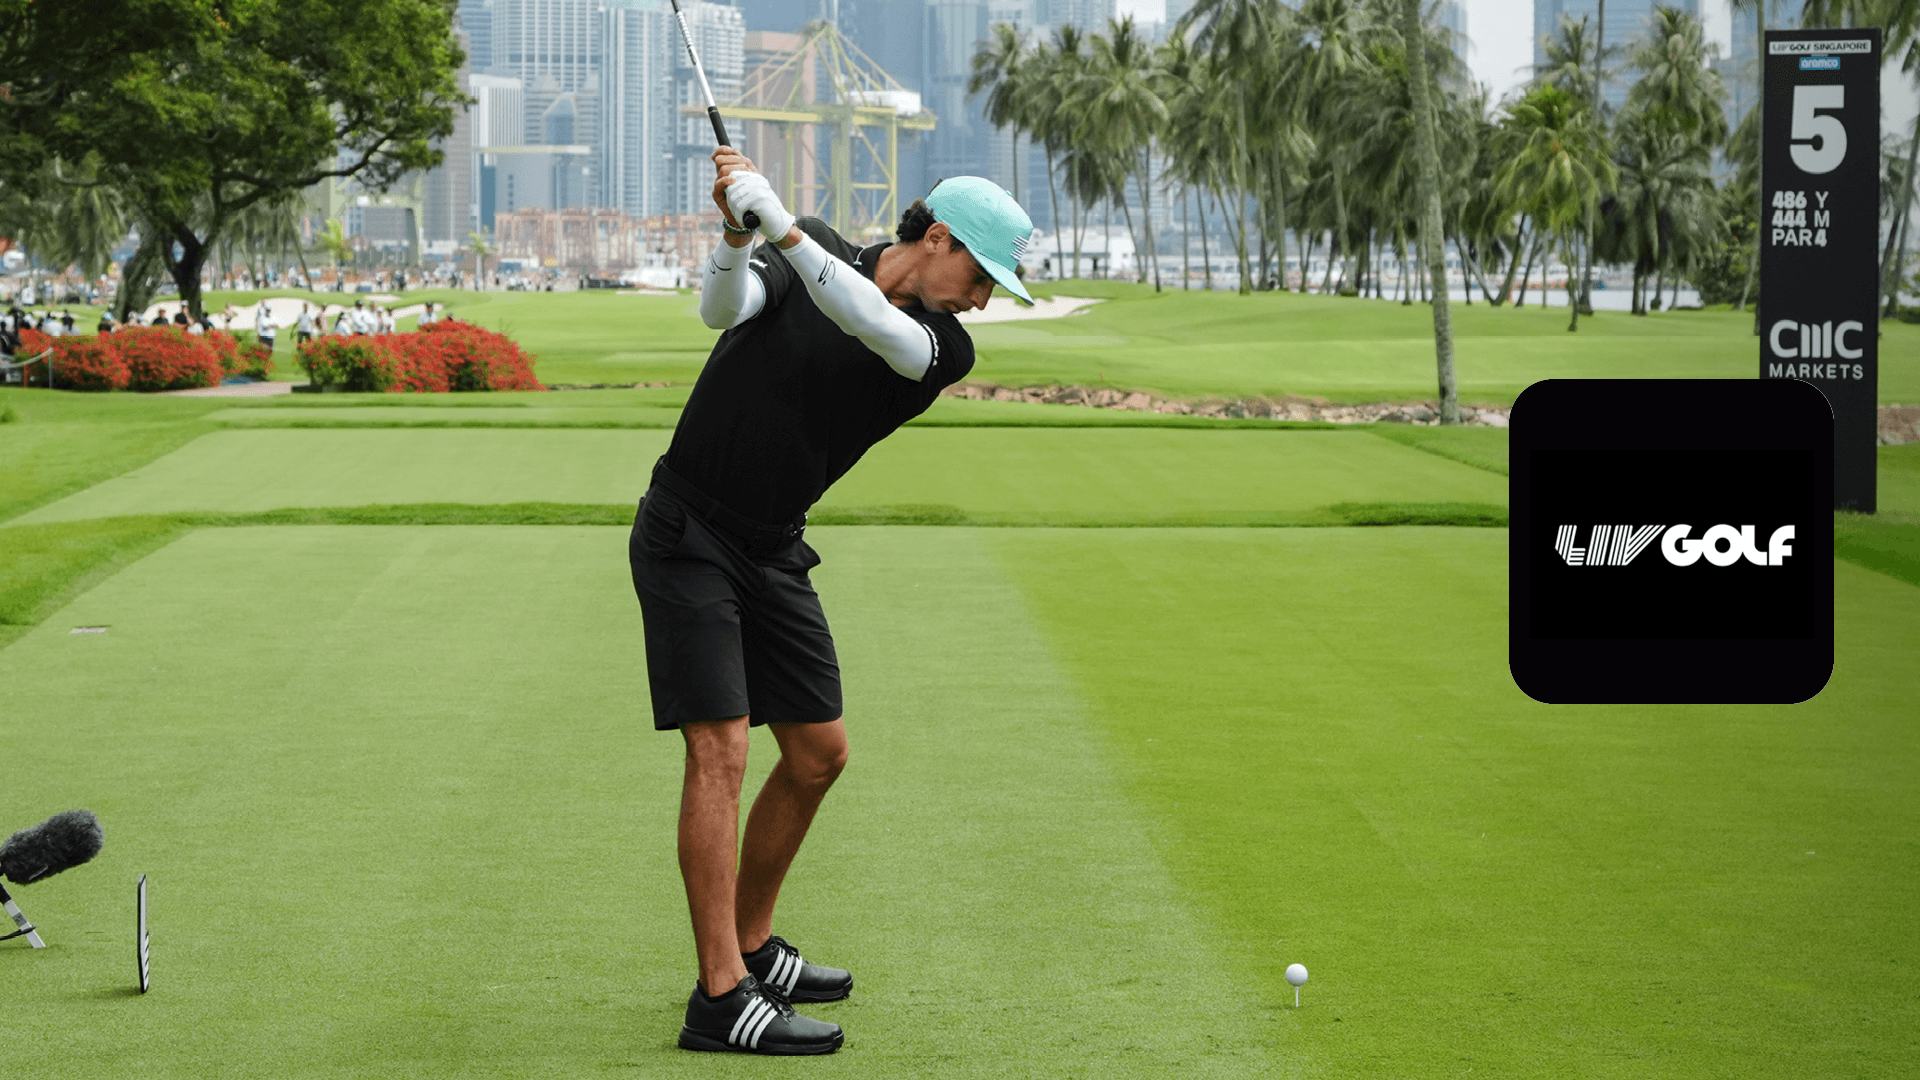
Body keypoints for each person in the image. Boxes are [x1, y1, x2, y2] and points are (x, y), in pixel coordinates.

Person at [630, 146, 1030, 1056]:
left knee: (818, 754)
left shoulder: (944, 346)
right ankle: (720, 996)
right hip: (688, 530)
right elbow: (720, 311)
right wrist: (739, 236)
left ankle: (752, 942)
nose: (982, 300)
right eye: (980, 276)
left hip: (772, 547)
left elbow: (866, 319)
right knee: (722, 748)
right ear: (938, 239)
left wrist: (778, 225)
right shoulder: (809, 243)